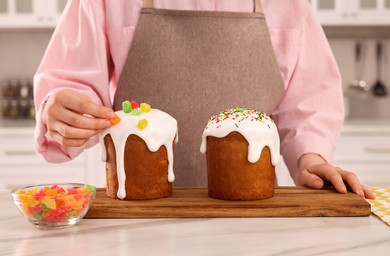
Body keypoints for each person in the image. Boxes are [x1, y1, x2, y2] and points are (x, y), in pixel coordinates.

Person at [33, 0, 375, 199]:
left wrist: (308, 156)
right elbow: (73, 86)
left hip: (254, 222)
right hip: (138, 218)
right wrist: (63, 113)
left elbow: (308, 99)